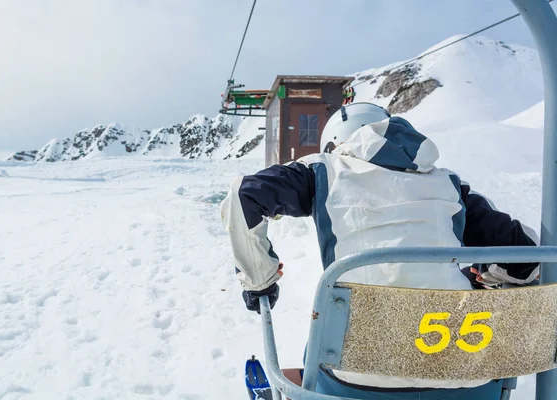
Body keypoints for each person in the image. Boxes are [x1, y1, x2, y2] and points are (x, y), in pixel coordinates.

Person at [220, 102, 539, 398]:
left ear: (335, 145)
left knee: (323, 345)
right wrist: (489, 276)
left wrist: (259, 280)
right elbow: (526, 257)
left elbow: (244, 195)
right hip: (465, 376)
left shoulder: (324, 169)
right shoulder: (447, 183)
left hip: (355, 377)